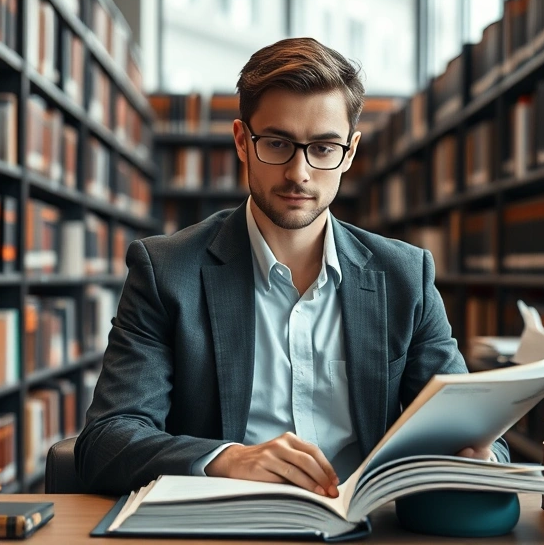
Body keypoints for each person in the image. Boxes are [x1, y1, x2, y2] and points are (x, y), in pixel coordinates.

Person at [75, 38, 509, 497]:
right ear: (243, 142)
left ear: (350, 151)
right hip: (225, 526)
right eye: (278, 143)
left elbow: (479, 433)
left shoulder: (406, 276)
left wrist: (478, 456)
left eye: (323, 148)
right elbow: (106, 440)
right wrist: (226, 459)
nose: (299, 173)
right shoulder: (166, 272)